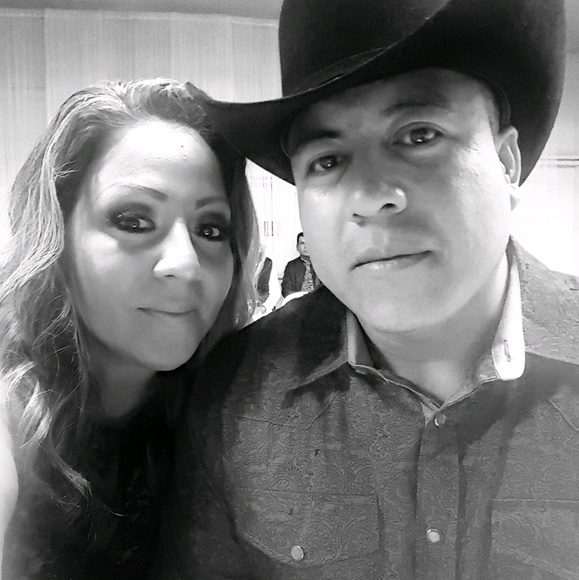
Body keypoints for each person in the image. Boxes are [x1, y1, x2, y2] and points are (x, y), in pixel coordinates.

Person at [157, 0, 579, 578]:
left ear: (507, 164)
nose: (373, 196)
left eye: (419, 134)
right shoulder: (237, 390)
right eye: (327, 160)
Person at [0, 78, 258, 580]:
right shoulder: (11, 411)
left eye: (210, 229)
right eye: (134, 221)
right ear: (56, 237)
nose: (185, 264)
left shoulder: (226, 407)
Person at [281, 232, 321, 297]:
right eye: (302, 243)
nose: (305, 247)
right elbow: (286, 289)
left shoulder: (321, 265)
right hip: (298, 301)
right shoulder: (291, 266)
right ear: (297, 247)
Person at [253, 245, 282, 321]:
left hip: (262, 313)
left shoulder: (267, 263)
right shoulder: (238, 264)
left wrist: (263, 308)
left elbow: (275, 293)